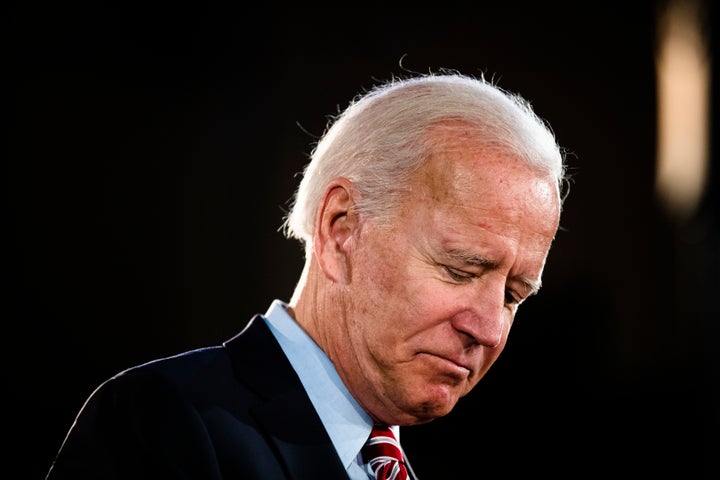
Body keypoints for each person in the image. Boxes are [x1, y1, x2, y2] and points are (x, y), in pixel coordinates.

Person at [45, 70, 568, 479]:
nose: (489, 329)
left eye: (513, 297)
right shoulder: (164, 423)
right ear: (342, 230)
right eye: (459, 270)